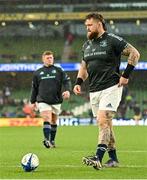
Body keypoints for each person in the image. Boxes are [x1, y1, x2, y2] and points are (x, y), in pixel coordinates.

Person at [73, 12, 140, 170]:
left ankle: (97, 157)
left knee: (103, 120)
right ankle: (113, 159)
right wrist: (78, 82)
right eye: (86, 26)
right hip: (94, 90)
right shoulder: (86, 45)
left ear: (99, 24)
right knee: (106, 125)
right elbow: (84, 67)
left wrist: (126, 75)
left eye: (89, 25)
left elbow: (134, 53)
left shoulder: (112, 40)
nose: (87, 29)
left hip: (111, 87)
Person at [30, 50, 71, 148]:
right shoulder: (37, 73)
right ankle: (46, 140)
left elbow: (67, 81)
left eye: (51, 58)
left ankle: (52, 141)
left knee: (53, 121)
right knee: (47, 118)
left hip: (56, 100)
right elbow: (34, 88)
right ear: (43, 59)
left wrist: (68, 90)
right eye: (47, 58)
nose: (50, 59)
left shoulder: (59, 70)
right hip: (43, 100)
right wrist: (32, 101)